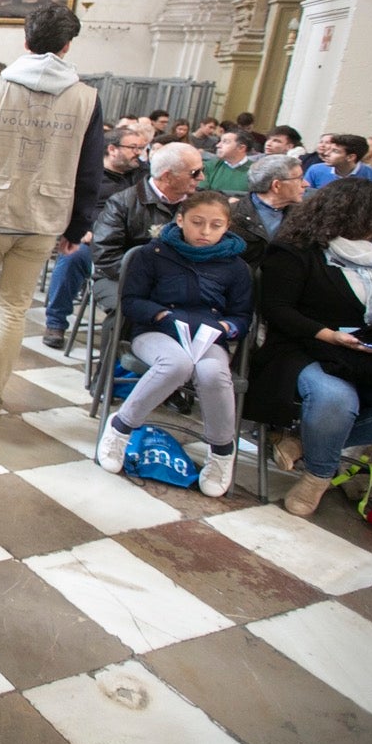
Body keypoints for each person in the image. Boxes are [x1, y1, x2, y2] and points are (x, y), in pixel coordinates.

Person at [0, 2, 106, 419]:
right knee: (14, 306)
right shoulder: (87, 99)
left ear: (25, 40)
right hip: (43, 217)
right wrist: (79, 224)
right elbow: (91, 169)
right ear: (67, 46)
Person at [244, 179, 372, 516]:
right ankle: (317, 477)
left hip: (369, 352)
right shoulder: (296, 252)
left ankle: (305, 441)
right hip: (304, 345)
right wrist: (329, 335)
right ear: (350, 215)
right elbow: (278, 310)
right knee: (336, 398)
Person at [94, 192, 254, 496]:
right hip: (157, 331)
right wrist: (161, 314)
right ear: (180, 220)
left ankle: (221, 452)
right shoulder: (152, 254)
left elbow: (242, 316)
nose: (205, 232)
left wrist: (226, 327)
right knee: (176, 364)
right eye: (197, 223)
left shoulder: (235, 267)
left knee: (213, 374)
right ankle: (122, 427)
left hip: (206, 336)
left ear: (227, 227)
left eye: (216, 225)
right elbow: (131, 301)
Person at [40, 126, 148, 349]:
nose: (139, 153)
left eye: (141, 148)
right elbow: (63, 207)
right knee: (72, 255)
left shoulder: (143, 176)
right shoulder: (88, 174)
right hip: (93, 240)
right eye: (133, 148)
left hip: (131, 243)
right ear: (112, 149)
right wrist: (79, 229)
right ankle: (56, 322)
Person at [91, 142, 206, 311]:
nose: (201, 177)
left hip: (182, 278)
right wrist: (153, 276)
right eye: (194, 173)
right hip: (121, 277)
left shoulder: (201, 203)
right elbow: (105, 255)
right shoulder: (122, 203)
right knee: (132, 310)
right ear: (167, 176)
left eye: (202, 170)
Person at [228, 154, 308, 266]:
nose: (306, 184)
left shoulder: (305, 215)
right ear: (276, 186)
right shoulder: (231, 216)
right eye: (300, 179)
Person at [305, 133, 372, 188]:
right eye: (329, 149)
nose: (327, 153)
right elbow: (305, 197)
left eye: (335, 151)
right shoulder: (316, 170)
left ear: (350, 157)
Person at [201, 129, 256, 194]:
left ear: (241, 148)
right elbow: (201, 193)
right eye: (220, 141)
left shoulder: (257, 171)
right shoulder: (209, 166)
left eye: (225, 142)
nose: (218, 145)